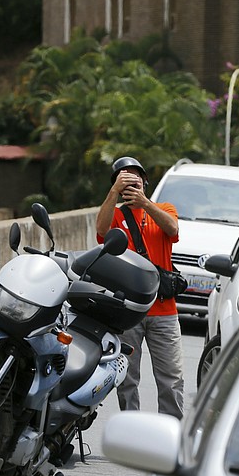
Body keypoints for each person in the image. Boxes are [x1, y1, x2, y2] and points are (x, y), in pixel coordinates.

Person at [96, 156, 184, 419]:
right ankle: (131, 430)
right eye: (125, 180)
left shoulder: (164, 209)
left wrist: (145, 203)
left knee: (171, 379)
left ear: (145, 182)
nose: (132, 184)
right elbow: (100, 230)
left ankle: (171, 432)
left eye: (136, 179)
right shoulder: (116, 215)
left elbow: (173, 229)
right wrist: (114, 193)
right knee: (127, 377)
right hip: (128, 312)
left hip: (164, 312)